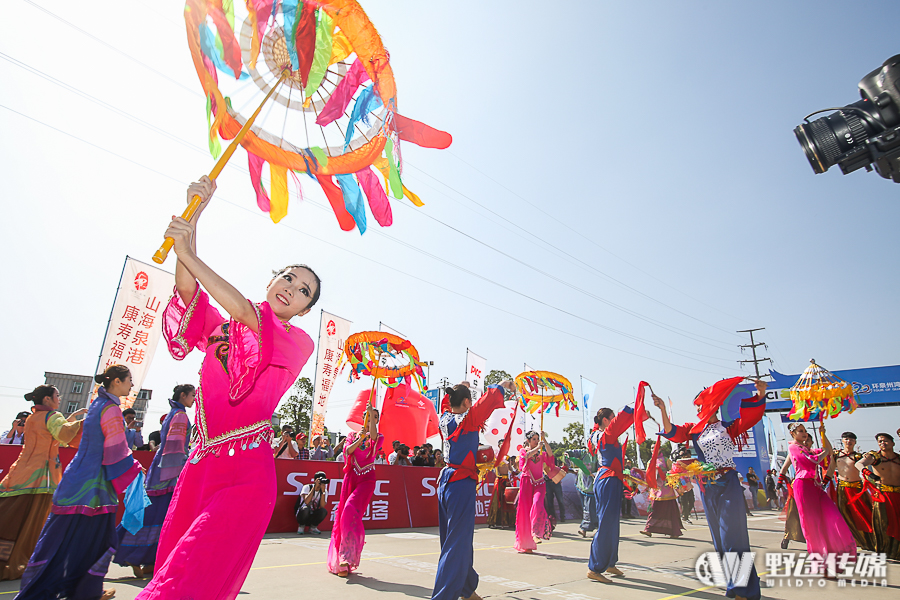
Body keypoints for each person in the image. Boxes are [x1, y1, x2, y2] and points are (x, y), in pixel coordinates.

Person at [135, 177, 318, 600]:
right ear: (274, 279)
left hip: (245, 478)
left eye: (303, 290)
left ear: (305, 309)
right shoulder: (222, 328)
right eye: (288, 277)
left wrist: (186, 251)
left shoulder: (296, 342)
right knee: (171, 571)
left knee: (183, 580)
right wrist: (194, 213)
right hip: (198, 470)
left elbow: (242, 309)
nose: (291, 287)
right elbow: (188, 291)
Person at [16, 365, 140, 600]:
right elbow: (115, 450)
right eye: (129, 380)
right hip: (94, 486)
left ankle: (55, 589)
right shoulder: (111, 409)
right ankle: (83, 590)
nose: (131, 385)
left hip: (73, 480)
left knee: (60, 540)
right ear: (115, 382)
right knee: (98, 540)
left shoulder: (96, 405)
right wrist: (135, 468)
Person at [653, 379, 767, 600]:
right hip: (708, 486)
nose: (697, 408)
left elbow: (751, 417)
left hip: (729, 482)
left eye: (701, 403)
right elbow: (672, 432)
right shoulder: (694, 430)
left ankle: (742, 590)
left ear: (713, 404)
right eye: (696, 405)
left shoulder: (727, 426)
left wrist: (760, 394)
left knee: (733, 536)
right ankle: (738, 586)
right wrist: (663, 410)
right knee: (720, 540)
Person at [432, 380, 512, 600]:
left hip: (446, 480)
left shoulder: (445, 418)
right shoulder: (469, 419)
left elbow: (450, 405)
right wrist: (502, 386)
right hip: (460, 484)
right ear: (467, 402)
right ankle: (443, 596)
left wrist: (460, 389)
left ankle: (467, 589)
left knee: (457, 539)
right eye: (470, 401)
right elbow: (488, 401)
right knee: (457, 543)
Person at [0, 386, 84, 580]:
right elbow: (64, 435)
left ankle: (7, 559)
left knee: (10, 519)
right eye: (57, 395)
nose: (59, 399)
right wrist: (86, 421)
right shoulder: (52, 416)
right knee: (37, 524)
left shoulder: (32, 418)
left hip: (20, 473)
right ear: (47, 399)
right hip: (43, 477)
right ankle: (33, 562)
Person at [114, 384, 195, 578]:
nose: (194, 399)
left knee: (153, 515)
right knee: (158, 517)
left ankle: (146, 559)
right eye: (192, 395)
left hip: (161, 470)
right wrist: (182, 471)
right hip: (169, 473)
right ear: (182, 395)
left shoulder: (172, 413)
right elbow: (175, 448)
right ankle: (128, 552)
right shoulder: (180, 416)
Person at [786, 422, 856, 564]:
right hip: (803, 486)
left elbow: (828, 452)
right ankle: (820, 559)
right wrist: (823, 451)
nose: (804, 433)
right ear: (793, 434)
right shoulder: (793, 447)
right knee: (812, 524)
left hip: (816, 487)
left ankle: (838, 550)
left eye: (805, 430)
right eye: (800, 431)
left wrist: (823, 434)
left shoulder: (807, 449)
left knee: (833, 516)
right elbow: (814, 460)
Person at [586, 402, 637, 583]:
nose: (614, 422)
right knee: (606, 523)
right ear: (606, 420)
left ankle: (609, 562)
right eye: (612, 418)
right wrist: (634, 408)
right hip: (607, 479)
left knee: (613, 523)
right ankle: (595, 567)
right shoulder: (604, 435)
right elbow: (620, 423)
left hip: (612, 478)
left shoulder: (600, 434)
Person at [327, 406, 382, 575]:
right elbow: (348, 451)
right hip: (351, 478)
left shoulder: (379, 437)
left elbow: (372, 438)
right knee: (343, 515)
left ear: (377, 421)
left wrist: (369, 426)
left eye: (374, 417)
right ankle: (343, 559)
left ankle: (346, 557)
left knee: (351, 510)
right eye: (367, 416)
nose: (370, 419)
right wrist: (360, 438)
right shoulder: (352, 436)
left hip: (367, 480)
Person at [856, 432, 900, 560]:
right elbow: (859, 464)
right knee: (883, 524)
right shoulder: (875, 457)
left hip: (898, 494)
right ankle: (884, 551)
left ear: (893, 443)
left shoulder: (898, 458)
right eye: (880, 441)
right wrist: (869, 474)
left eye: (885, 441)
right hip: (882, 495)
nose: (882, 443)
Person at [832, 431, 875, 550]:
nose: (848, 441)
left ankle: (869, 540)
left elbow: (864, 466)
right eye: (846, 439)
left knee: (863, 514)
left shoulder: (858, 457)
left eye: (851, 440)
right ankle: (848, 541)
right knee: (844, 516)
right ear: (842, 441)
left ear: (855, 442)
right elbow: (829, 467)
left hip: (857, 489)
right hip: (842, 488)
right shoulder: (836, 455)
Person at [515, 431, 555, 553]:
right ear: (528, 441)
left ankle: (536, 532)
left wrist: (545, 440)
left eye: (538, 439)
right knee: (526, 511)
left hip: (539, 484)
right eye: (534, 439)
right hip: (527, 483)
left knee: (537, 503)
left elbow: (550, 454)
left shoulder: (541, 454)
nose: (536, 441)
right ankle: (527, 544)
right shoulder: (524, 451)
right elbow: (525, 457)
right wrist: (537, 448)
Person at [640, 453, 682, 538]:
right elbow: (648, 474)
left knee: (670, 510)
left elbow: (673, 472)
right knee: (654, 509)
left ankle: (674, 532)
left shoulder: (666, 460)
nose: (653, 450)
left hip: (667, 489)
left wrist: (665, 475)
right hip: (656, 489)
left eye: (654, 447)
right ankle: (648, 529)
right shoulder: (651, 461)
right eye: (652, 448)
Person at [566, 448, 598, 538]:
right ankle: (585, 528)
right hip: (582, 484)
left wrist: (594, 473)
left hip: (592, 485)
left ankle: (592, 528)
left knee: (590, 508)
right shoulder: (584, 452)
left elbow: (601, 468)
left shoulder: (598, 455)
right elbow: (570, 453)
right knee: (585, 507)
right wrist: (567, 455)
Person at [486, 446, 515, 529]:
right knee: (496, 500)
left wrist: (514, 473)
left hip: (507, 480)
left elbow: (510, 468)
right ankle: (493, 521)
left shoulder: (507, 457)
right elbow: (497, 471)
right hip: (499, 480)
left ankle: (509, 521)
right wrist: (501, 479)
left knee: (508, 500)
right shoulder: (497, 458)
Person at [544, 457, 567, 525]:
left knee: (560, 500)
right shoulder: (544, 460)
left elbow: (558, 468)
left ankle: (562, 516)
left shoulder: (553, 458)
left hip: (556, 482)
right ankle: (552, 517)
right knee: (549, 501)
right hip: (548, 482)